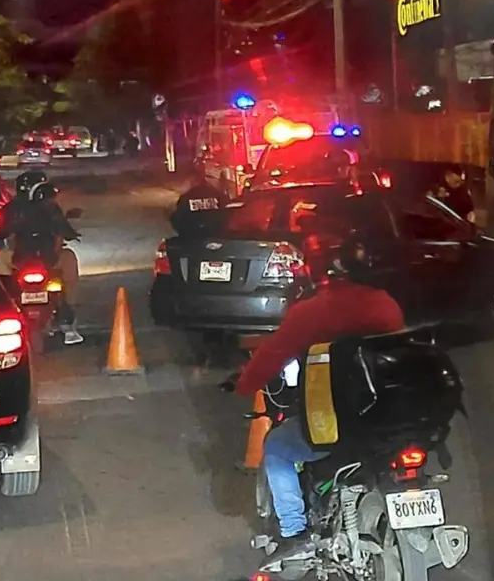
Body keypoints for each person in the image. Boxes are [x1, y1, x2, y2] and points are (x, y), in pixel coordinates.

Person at [235, 233, 406, 561]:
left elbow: (273, 354)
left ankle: (294, 532)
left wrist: (245, 382)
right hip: (387, 419)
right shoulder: (387, 304)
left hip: (336, 424)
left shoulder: (314, 311)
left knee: (277, 447)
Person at [7, 181, 83, 344]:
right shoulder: (52, 211)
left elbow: (6, 235)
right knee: (70, 263)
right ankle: (70, 308)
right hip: (47, 261)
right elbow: (63, 233)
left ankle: (5, 303)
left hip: (23, 261)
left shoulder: (17, 211)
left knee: (3, 275)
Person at [170, 165, 228, 237]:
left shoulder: (186, 197)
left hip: (193, 236)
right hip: (218, 235)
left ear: (191, 181)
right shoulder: (218, 195)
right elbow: (227, 212)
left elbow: (178, 218)